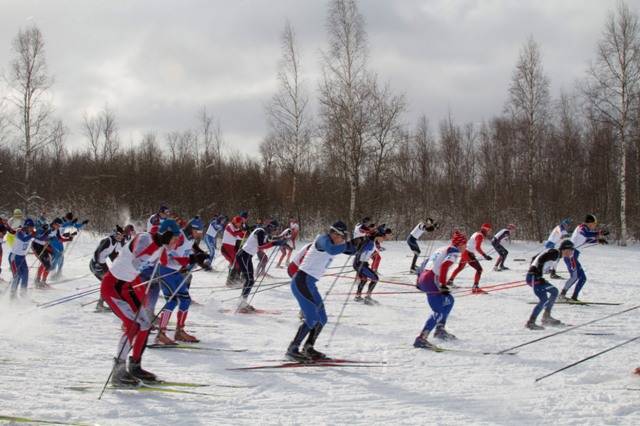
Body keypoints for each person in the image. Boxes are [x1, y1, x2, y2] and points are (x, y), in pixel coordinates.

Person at [101, 219, 180, 386]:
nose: (175, 242)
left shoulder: (161, 247)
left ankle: (135, 366)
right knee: (132, 325)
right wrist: (158, 244)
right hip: (113, 286)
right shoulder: (145, 238)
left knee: (145, 324)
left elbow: (168, 263)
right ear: (165, 234)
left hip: (127, 287)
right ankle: (118, 372)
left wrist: (192, 260)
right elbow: (137, 260)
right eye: (174, 238)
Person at [286, 221, 356, 361]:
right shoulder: (322, 239)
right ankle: (292, 349)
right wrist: (347, 245)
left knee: (322, 319)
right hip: (301, 281)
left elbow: (351, 251)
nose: (342, 240)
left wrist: (359, 243)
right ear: (334, 233)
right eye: (342, 237)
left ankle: (308, 347)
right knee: (311, 318)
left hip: (310, 284)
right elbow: (332, 250)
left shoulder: (335, 243)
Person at [155, 217, 210, 345]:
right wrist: (190, 259)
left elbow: (189, 252)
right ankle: (161, 334)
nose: (199, 234)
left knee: (185, 300)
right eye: (198, 231)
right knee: (172, 301)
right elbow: (166, 254)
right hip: (166, 271)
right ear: (192, 229)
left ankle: (179, 331)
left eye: (201, 232)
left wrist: (201, 260)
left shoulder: (190, 238)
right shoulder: (178, 237)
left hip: (176, 272)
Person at [413, 231, 467, 349]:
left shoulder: (442, 249)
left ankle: (440, 330)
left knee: (449, 299)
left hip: (425, 278)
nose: (466, 247)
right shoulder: (454, 251)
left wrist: (418, 280)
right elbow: (444, 266)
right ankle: (421, 339)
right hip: (432, 280)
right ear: (459, 244)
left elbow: (424, 263)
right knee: (438, 311)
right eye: (465, 244)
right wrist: (443, 284)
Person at [235, 220, 285, 313]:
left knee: (250, 280)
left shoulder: (263, 233)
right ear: (271, 227)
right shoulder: (260, 231)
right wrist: (275, 243)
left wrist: (279, 240)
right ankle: (241, 303)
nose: (275, 231)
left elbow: (269, 240)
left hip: (247, 257)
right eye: (275, 229)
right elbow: (261, 246)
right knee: (249, 280)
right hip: (243, 256)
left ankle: (243, 302)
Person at [525, 240, 575, 330]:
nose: (572, 252)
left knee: (554, 291)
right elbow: (541, 259)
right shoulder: (555, 253)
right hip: (534, 277)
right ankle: (531, 322)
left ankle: (546, 317)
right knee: (543, 299)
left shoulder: (556, 253)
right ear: (565, 249)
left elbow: (534, 258)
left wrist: (534, 270)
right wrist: (536, 272)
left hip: (535, 276)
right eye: (571, 250)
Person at [559, 214, 608, 302]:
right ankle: (561, 296)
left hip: (574, 256)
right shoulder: (582, 227)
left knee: (582, 278)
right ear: (590, 223)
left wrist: (598, 240)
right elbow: (585, 233)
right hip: (570, 255)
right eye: (594, 224)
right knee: (575, 277)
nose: (595, 226)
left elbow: (586, 240)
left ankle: (574, 297)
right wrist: (599, 233)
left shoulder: (585, 229)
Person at [447, 223, 492, 294]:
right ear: (485, 229)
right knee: (479, 269)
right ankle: (475, 288)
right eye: (489, 230)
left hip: (465, 252)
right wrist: (484, 255)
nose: (489, 232)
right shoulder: (480, 236)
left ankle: (450, 281)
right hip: (468, 253)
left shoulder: (477, 233)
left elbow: (471, 244)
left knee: (460, 267)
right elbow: (477, 247)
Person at [353, 225, 392, 305]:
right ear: (378, 237)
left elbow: (369, 251)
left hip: (362, 263)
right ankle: (367, 297)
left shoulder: (372, 242)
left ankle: (358, 296)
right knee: (375, 278)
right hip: (360, 264)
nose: (383, 240)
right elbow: (359, 251)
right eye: (383, 238)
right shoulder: (370, 243)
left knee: (364, 279)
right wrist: (358, 261)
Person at [91, 226, 125, 312]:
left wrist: (118, 264)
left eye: (122, 235)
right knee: (107, 283)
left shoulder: (115, 242)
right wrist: (97, 264)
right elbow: (97, 252)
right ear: (114, 234)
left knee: (110, 282)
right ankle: (100, 304)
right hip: (95, 265)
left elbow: (112, 255)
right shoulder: (108, 240)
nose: (120, 237)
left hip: (103, 265)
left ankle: (102, 303)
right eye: (119, 235)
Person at [8, 218, 35, 298]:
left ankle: (23, 294)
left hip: (22, 257)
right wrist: (32, 235)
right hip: (14, 257)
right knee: (17, 276)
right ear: (26, 226)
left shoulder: (29, 232)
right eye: (30, 227)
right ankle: (12, 296)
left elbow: (38, 237)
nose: (32, 229)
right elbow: (23, 239)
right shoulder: (20, 232)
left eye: (32, 227)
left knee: (26, 273)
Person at [221, 216, 245, 286]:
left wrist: (244, 232)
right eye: (238, 223)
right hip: (226, 248)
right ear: (234, 221)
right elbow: (233, 233)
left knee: (236, 263)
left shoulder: (236, 228)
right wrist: (241, 231)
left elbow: (240, 237)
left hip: (231, 248)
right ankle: (231, 281)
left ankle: (235, 279)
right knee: (235, 262)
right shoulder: (229, 225)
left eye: (240, 223)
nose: (239, 225)